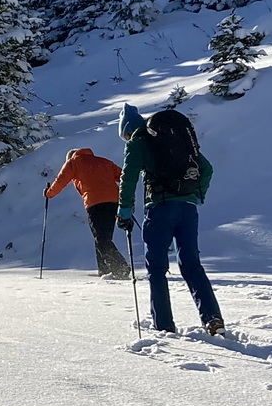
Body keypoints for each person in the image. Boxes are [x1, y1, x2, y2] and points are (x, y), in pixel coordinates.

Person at [117, 103, 225, 336]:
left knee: (156, 268)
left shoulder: (138, 141)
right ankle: (213, 319)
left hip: (160, 208)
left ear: (128, 130)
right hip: (188, 209)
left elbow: (128, 177)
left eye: (125, 135)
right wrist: (196, 195)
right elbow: (206, 169)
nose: (127, 139)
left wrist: (124, 211)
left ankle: (164, 326)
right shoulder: (174, 139)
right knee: (191, 264)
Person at [43, 147, 131, 278]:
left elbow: (61, 180)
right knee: (103, 237)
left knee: (101, 238)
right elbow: (123, 176)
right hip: (114, 202)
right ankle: (105, 271)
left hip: (95, 203)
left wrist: (49, 193)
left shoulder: (73, 162)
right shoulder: (104, 162)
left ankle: (120, 267)